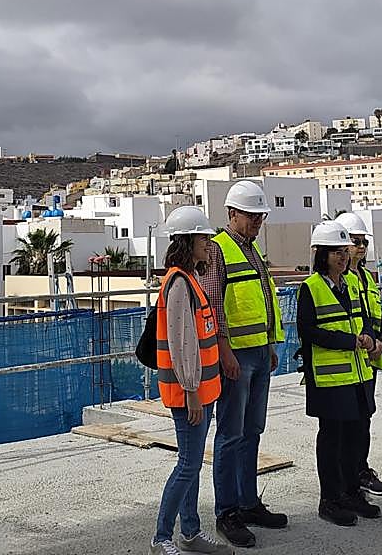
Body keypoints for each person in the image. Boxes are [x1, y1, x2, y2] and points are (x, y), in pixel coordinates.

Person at [202, 180, 286, 548]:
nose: (257, 222)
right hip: (235, 357)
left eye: (260, 216)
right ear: (232, 214)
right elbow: (214, 305)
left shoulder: (252, 251)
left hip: (257, 353)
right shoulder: (219, 251)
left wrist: (269, 343)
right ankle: (227, 511)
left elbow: (262, 301)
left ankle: (248, 502)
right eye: (251, 216)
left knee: (253, 431)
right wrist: (224, 352)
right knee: (230, 435)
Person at [151, 206, 233, 555]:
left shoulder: (189, 279)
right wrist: (191, 392)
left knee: (193, 462)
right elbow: (182, 342)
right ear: (188, 241)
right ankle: (162, 538)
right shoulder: (180, 284)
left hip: (202, 390)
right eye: (203, 238)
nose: (208, 244)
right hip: (190, 393)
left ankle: (191, 532)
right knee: (187, 464)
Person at [297, 220, 382, 526]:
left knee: (354, 438)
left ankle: (350, 492)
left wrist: (370, 336)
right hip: (330, 379)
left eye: (345, 251)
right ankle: (330, 499)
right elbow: (307, 331)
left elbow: (365, 319)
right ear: (322, 254)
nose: (343, 257)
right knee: (332, 440)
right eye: (336, 252)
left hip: (357, 375)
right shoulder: (311, 288)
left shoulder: (351, 285)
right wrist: (349, 341)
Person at [334, 212, 382, 497]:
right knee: (348, 421)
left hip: (370, 359)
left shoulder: (367, 278)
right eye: (354, 242)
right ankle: (349, 475)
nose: (360, 247)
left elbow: (376, 316)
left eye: (363, 242)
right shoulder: (338, 280)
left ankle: (361, 468)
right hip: (350, 360)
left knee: (364, 417)